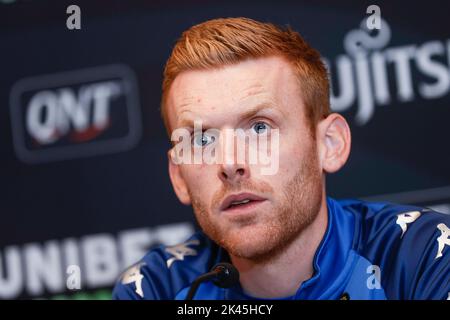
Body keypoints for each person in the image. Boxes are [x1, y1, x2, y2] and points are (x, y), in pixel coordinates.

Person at [113, 17, 450, 300]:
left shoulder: (421, 256)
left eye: (259, 127)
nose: (230, 163)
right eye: (202, 139)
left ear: (329, 144)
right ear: (178, 177)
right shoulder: (157, 288)